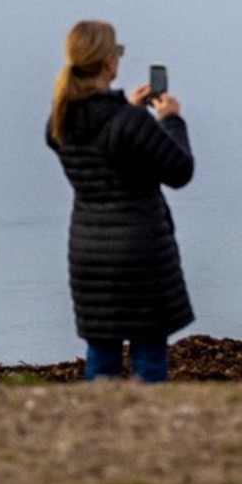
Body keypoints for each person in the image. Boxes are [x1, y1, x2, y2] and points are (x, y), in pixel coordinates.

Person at [46, 20, 195, 382]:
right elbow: (180, 170)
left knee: (101, 353)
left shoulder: (61, 120)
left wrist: (126, 107)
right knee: (147, 355)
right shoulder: (128, 123)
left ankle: (98, 429)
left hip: (88, 252)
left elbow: (102, 141)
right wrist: (170, 120)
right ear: (110, 62)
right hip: (139, 253)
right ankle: (145, 434)